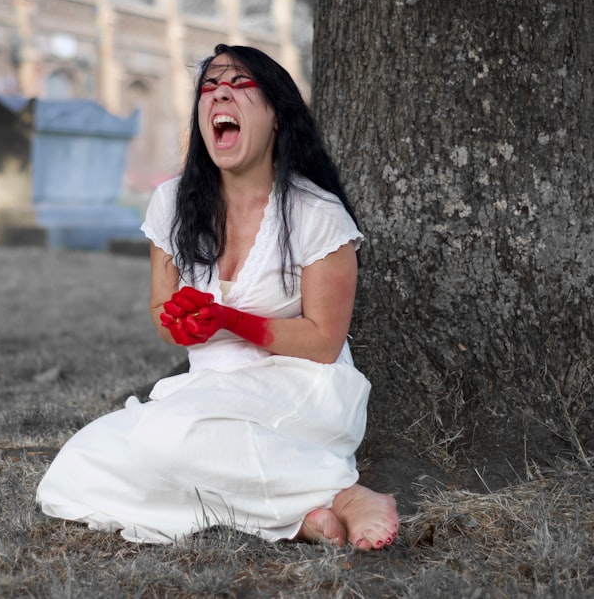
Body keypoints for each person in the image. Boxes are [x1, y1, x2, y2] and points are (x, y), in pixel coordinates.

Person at [36, 44, 398, 549]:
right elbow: (163, 313)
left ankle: (344, 495)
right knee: (77, 464)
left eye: (240, 84)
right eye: (209, 86)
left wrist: (230, 319)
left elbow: (322, 341)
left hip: (300, 390)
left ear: (276, 116)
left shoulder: (318, 214)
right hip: (208, 391)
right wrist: (183, 322)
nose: (219, 92)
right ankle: (300, 517)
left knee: (170, 439)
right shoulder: (172, 203)